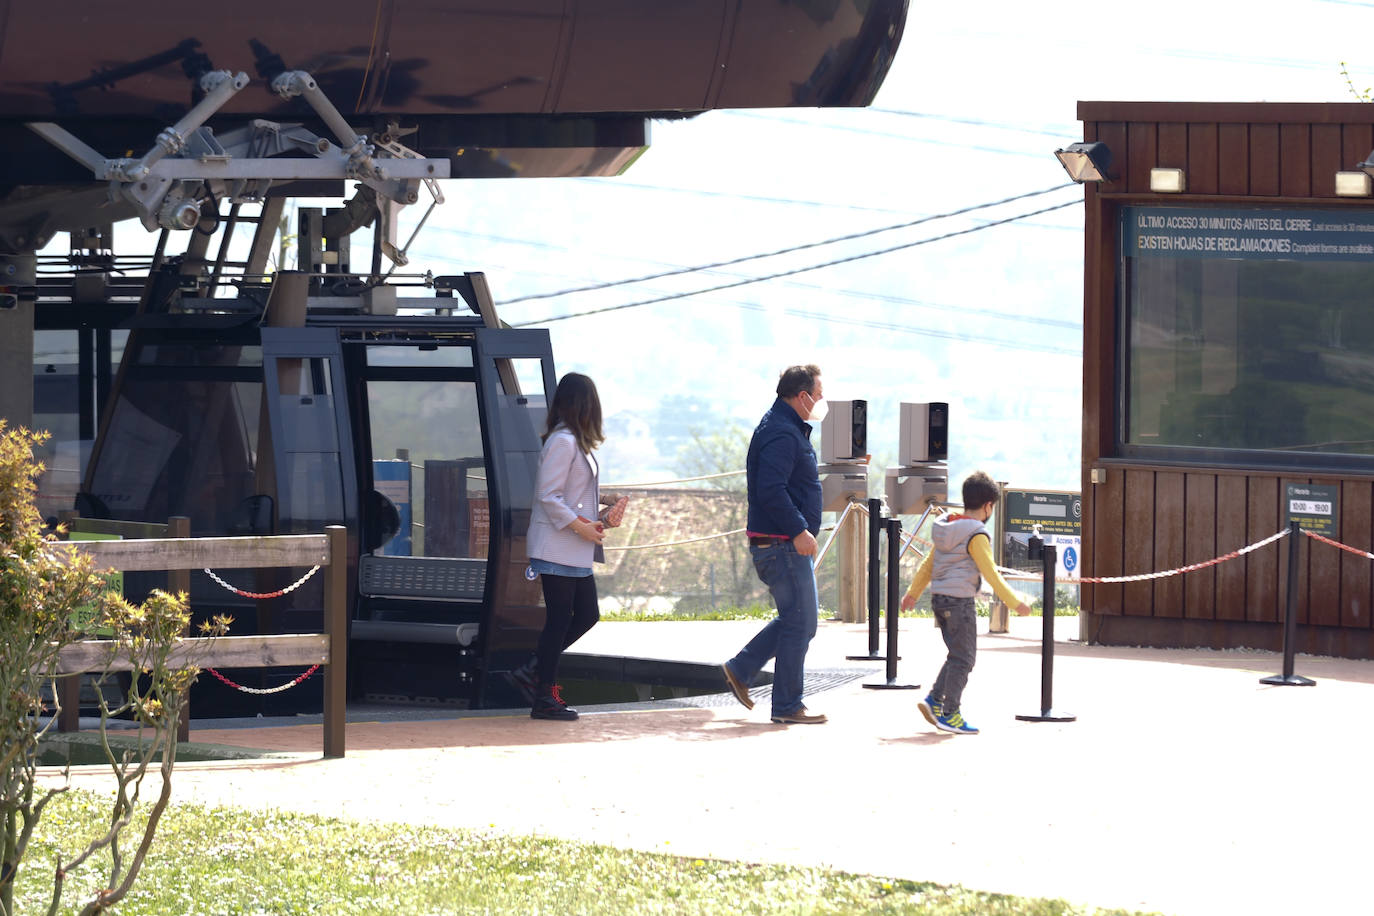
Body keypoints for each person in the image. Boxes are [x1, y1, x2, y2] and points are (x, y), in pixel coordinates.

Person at [515, 373, 628, 721]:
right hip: (557, 547)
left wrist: (606, 501)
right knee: (561, 620)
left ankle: (535, 671)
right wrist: (583, 527)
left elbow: (573, 492)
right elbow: (548, 495)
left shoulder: (574, 441)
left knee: (585, 615)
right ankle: (543, 694)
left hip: (572, 547)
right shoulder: (563, 442)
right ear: (584, 405)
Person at [720, 364, 827, 725]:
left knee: (797, 620)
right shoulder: (782, 432)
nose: (820, 401)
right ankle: (785, 704)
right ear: (802, 396)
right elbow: (771, 489)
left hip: (782, 545)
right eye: (818, 394)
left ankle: (743, 669)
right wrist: (799, 530)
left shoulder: (783, 427)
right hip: (782, 545)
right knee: (802, 622)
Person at [900, 470, 1031, 735]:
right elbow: (990, 572)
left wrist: (913, 592)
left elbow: (928, 564)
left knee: (957, 655)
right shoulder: (976, 534)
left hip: (940, 600)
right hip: (960, 603)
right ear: (988, 506)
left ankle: (935, 701)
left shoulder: (947, 526)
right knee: (965, 659)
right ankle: (951, 713)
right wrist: (1015, 603)